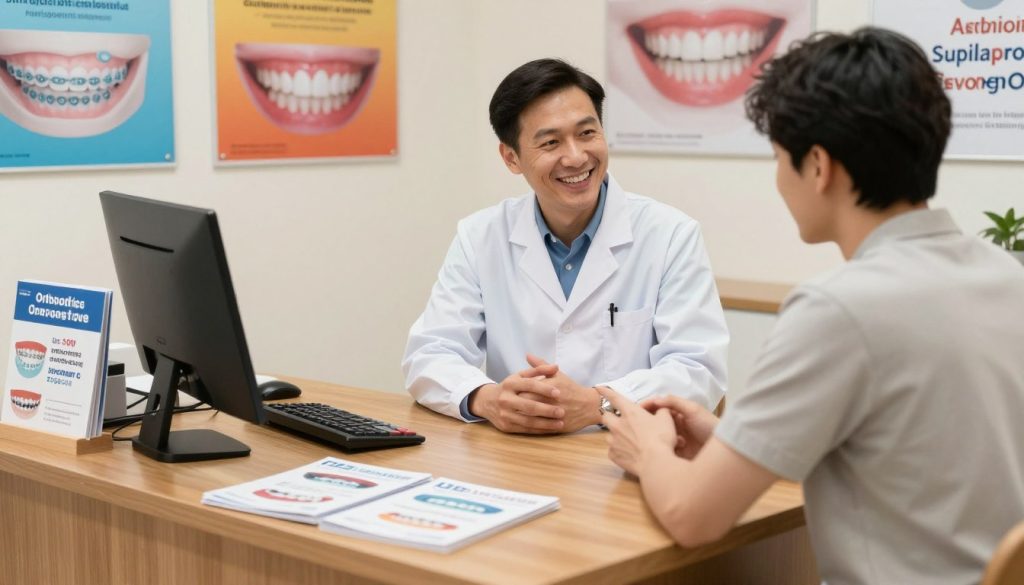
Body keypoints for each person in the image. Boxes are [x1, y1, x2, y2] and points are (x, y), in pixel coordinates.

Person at [599, 27, 1024, 585]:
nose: (779, 178)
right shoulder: (1005, 273)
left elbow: (693, 517)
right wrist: (736, 441)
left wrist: (647, 450)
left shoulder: (838, 310)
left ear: (819, 166)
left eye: (780, 157)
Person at [402, 58, 728, 434]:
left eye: (587, 133)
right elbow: (430, 353)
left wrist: (598, 405)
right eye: (551, 142)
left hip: (628, 455)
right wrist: (489, 399)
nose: (575, 157)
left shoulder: (670, 234)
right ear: (511, 157)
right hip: (517, 456)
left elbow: (698, 369)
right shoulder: (480, 236)